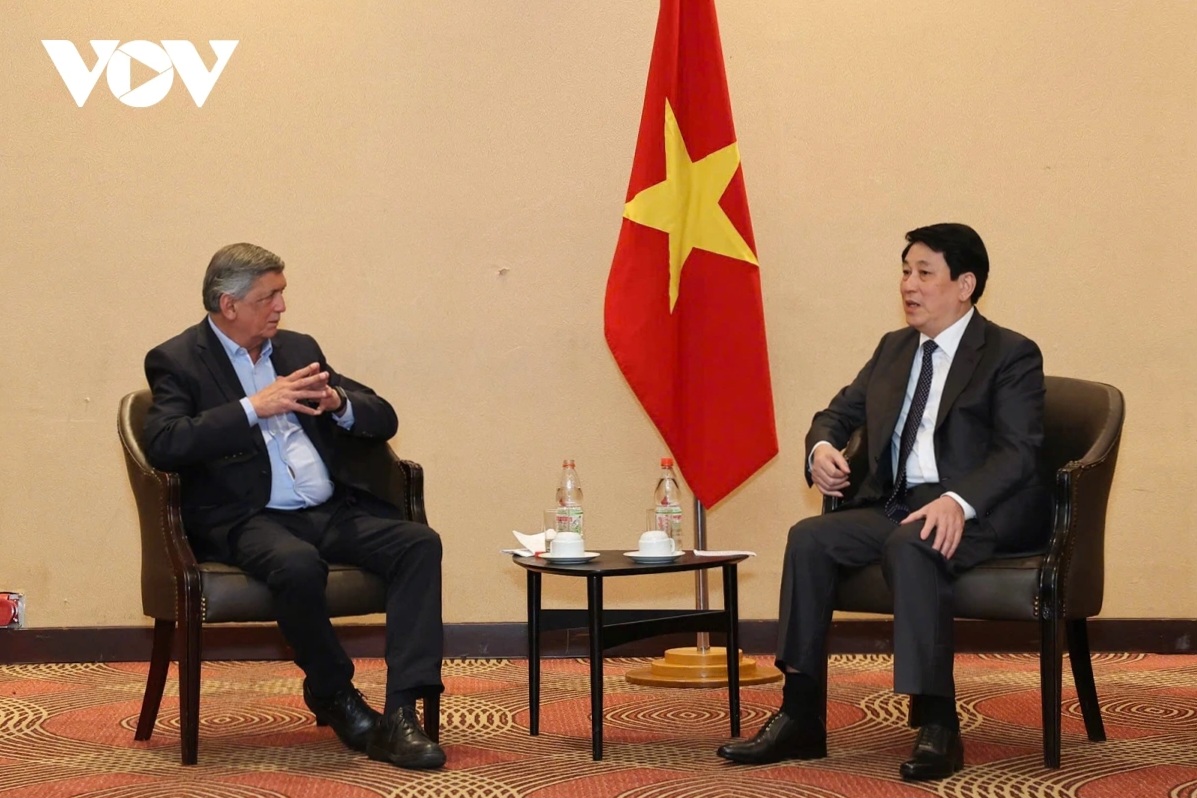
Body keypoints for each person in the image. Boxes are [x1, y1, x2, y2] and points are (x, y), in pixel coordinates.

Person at [717, 223, 1050, 781]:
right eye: (905, 271)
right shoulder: (894, 349)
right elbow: (836, 414)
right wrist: (821, 448)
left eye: (924, 273)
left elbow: (1018, 453)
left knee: (912, 544)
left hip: (978, 509)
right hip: (895, 502)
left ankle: (938, 722)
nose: (908, 285)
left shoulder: (1010, 354)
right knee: (809, 538)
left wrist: (958, 500)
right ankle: (800, 714)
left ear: (965, 284)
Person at [143, 243, 445, 770]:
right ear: (228, 304)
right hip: (246, 517)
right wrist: (251, 407)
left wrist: (339, 404)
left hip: (328, 510)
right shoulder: (178, 360)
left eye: (282, 293)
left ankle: (401, 713)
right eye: (269, 297)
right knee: (297, 565)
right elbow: (164, 442)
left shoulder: (297, 348)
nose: (281, 307)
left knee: (418, 544)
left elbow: (384, 416)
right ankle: (333, 691)